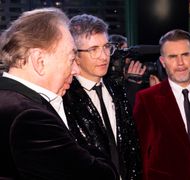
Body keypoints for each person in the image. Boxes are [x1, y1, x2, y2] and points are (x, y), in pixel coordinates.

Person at [0, 8, 117, 179]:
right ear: (39, 61)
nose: (76, 70)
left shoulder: (8, 97)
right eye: (71, 59)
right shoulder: (30, 118)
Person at [133, 29, 190, 180]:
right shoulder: (147, 99)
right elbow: (140, 153)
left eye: (185, 55)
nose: (180, 63)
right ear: (163, 62)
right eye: (172, 57)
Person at [62, 14, 142, 180]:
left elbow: (131, 146)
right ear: (75, 55)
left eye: (106, 47)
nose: (104, 56)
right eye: (93, 49)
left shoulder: (117, 89)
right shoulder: (65, 98)